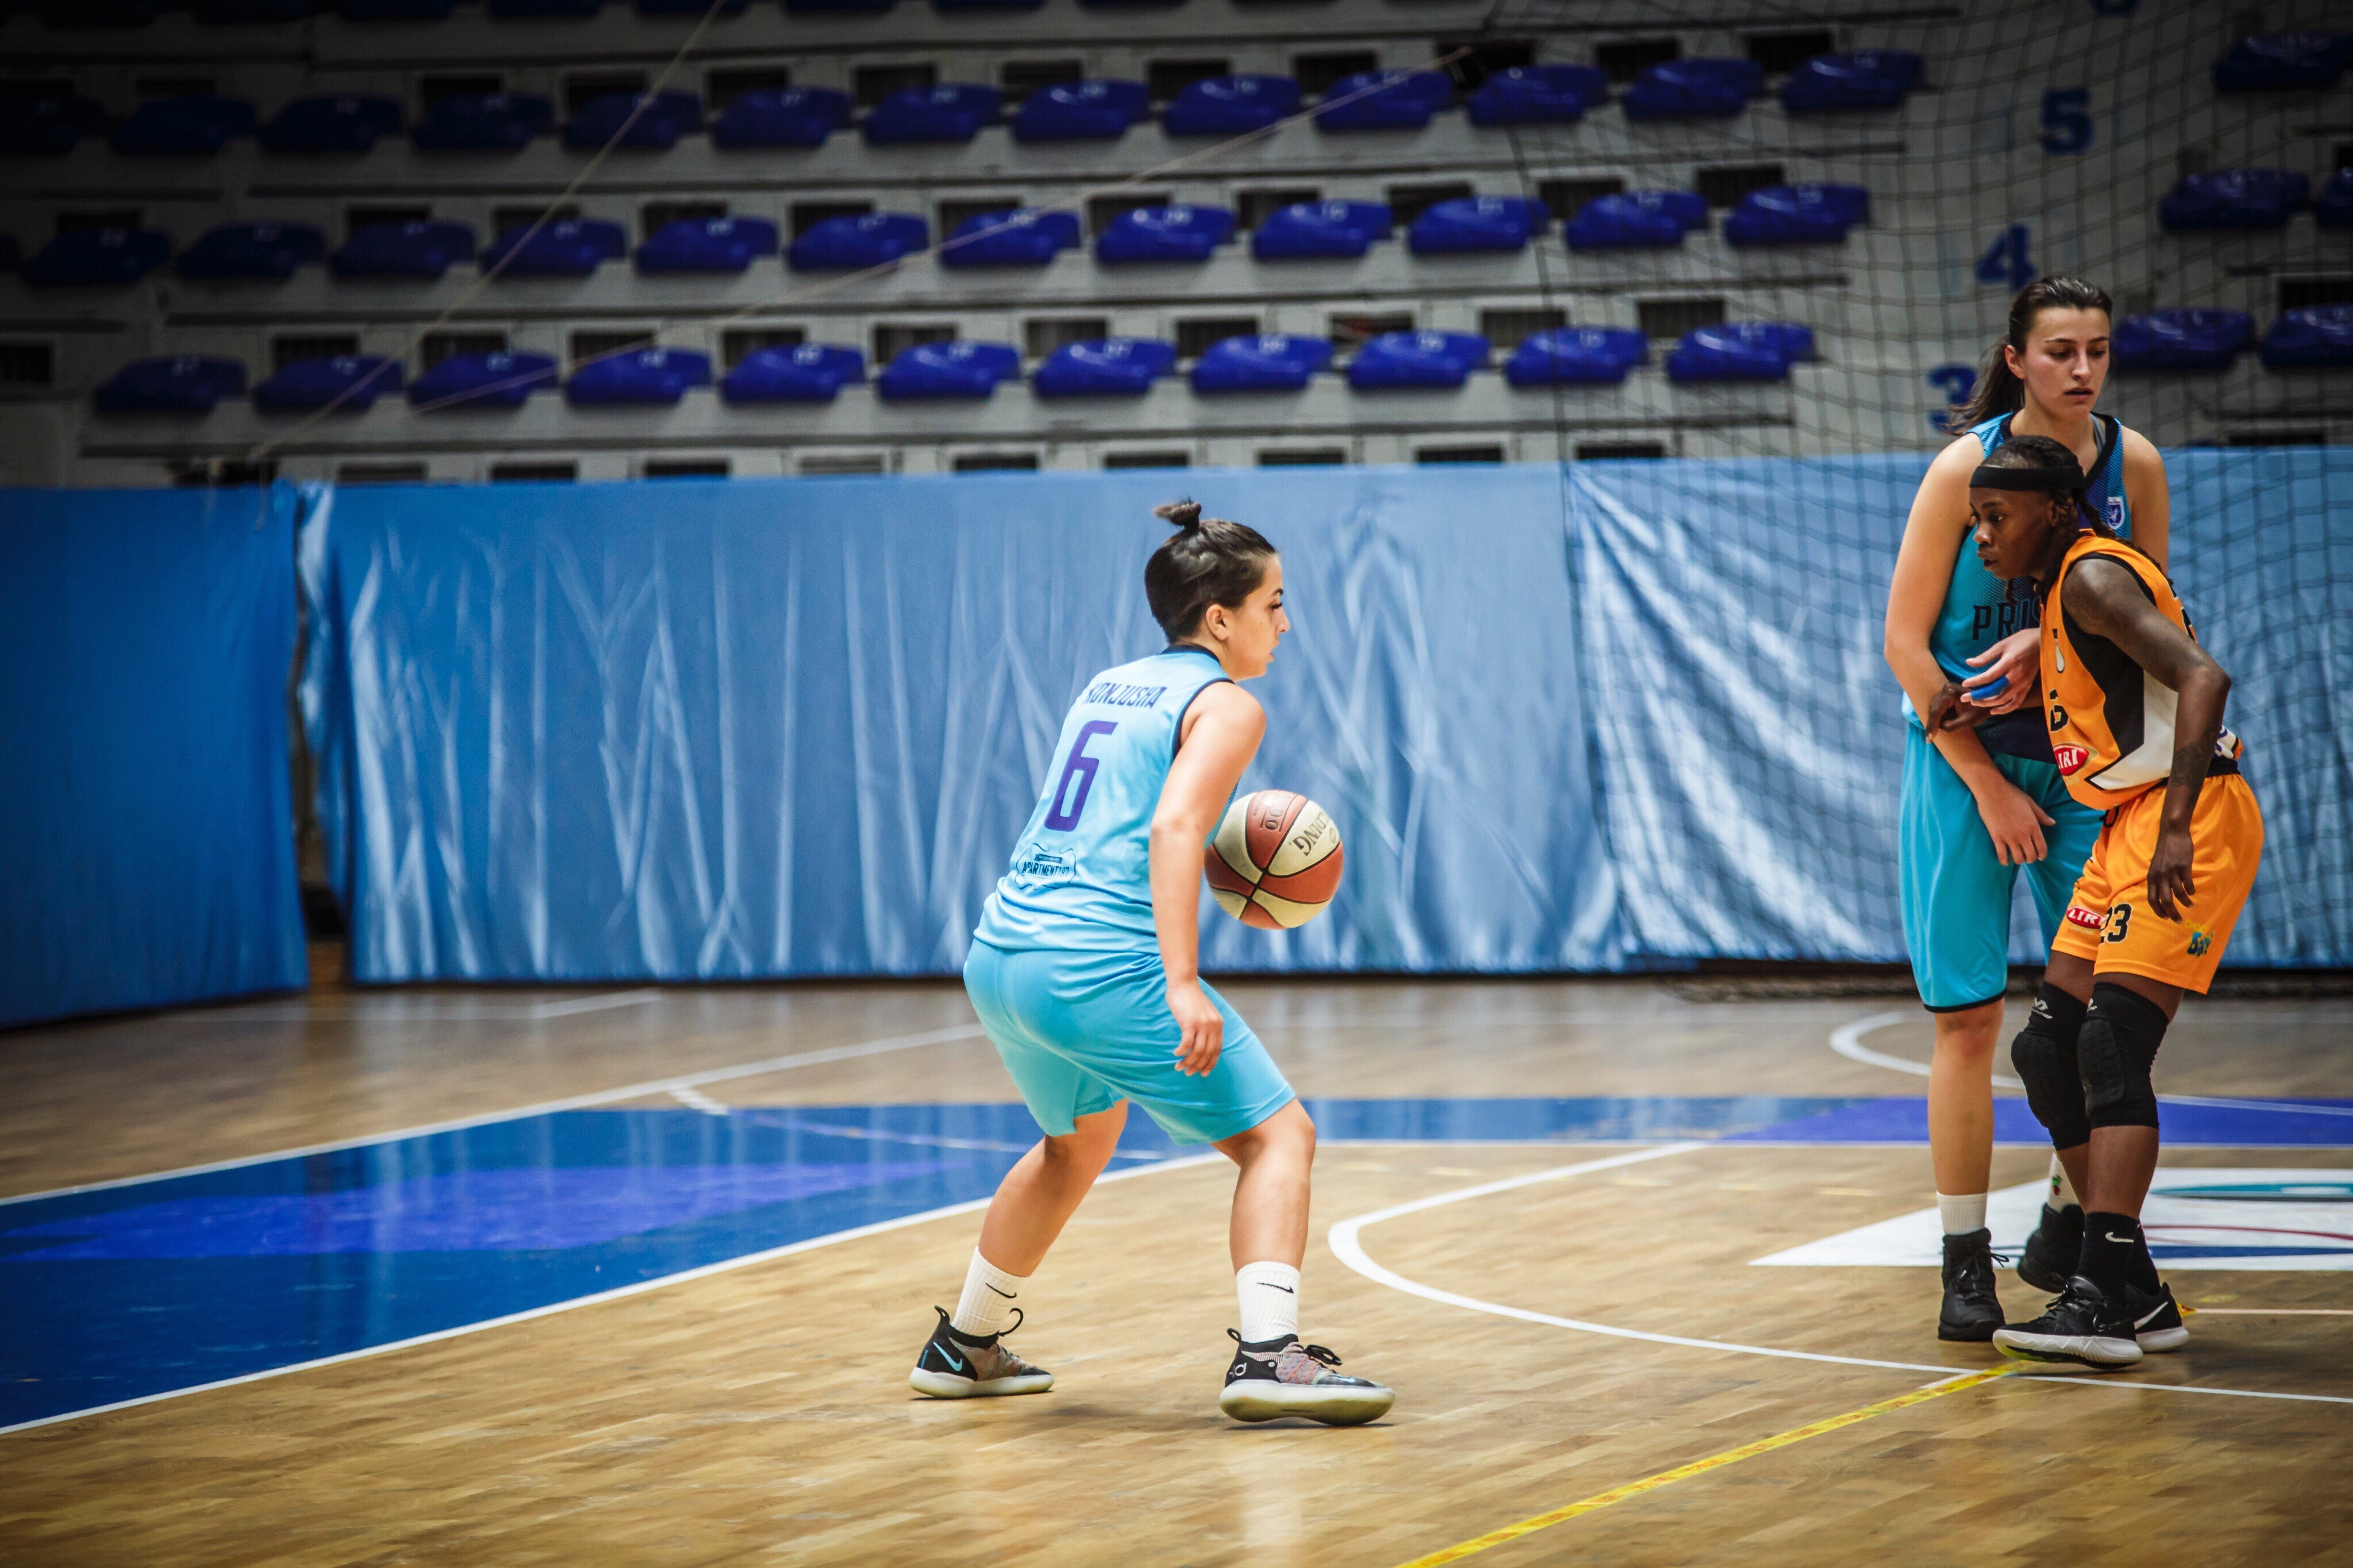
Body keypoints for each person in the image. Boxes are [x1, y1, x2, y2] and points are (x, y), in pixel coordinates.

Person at [906, 499, 1394, 1426]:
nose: (1284, 623)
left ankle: (964, 1342)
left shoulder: (1111, 683)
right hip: (1097, 962)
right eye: (1274, 604)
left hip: (1005, 951)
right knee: (1278, 1136)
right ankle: (1271, 1354)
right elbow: (1174, 825)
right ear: (1221, 618)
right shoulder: (1230, 703)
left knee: (1075, 1145)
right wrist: (1179, 981)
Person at [1928, 435, 2261, 1370]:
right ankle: (2137, 1290)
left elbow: (2205, 678)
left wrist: (2184, 822)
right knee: (2046, 1047)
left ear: (2055, 509)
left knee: (2110, 1044)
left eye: (1996, 518)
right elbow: (2118, 716)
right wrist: (1991, 718)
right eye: (1975, 521)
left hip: (2180, 811)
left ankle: (2102, 1294)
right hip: (2125, 817)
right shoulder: (2060, 590)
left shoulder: (2091, 578)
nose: (1983, 537)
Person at [1883, 276, 2170, 1342]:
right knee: (1966, 1019)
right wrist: (1990, 784)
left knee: (2099, 1024)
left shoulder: (2133, 464)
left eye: (2097, 349)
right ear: (2016, 359)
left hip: (2088, 772)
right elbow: (1906, 646)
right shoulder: (1965, 468)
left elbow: (2143, 627)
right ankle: (1965, 1261)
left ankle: (2072, 1218)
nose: (2082, 369)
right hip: (1969, 770)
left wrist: (2052, 646)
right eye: (2059, 350)